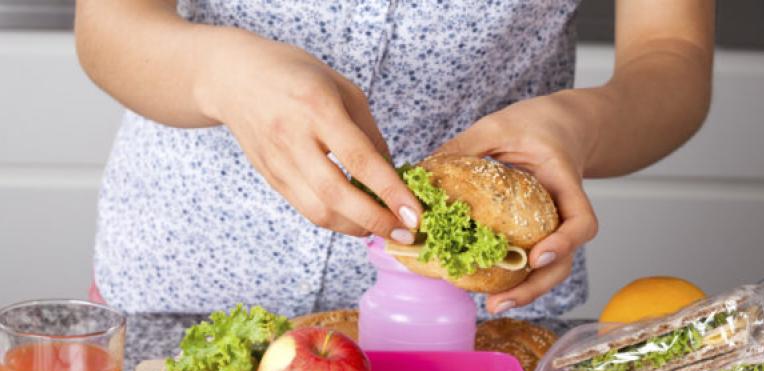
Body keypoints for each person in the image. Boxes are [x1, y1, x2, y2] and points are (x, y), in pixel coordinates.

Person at [75, 0, 714, 319]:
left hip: (478, 315)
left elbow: (671, 55)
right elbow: (109, 26)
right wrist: (221, 74)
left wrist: (581, 124)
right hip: (185, 285)